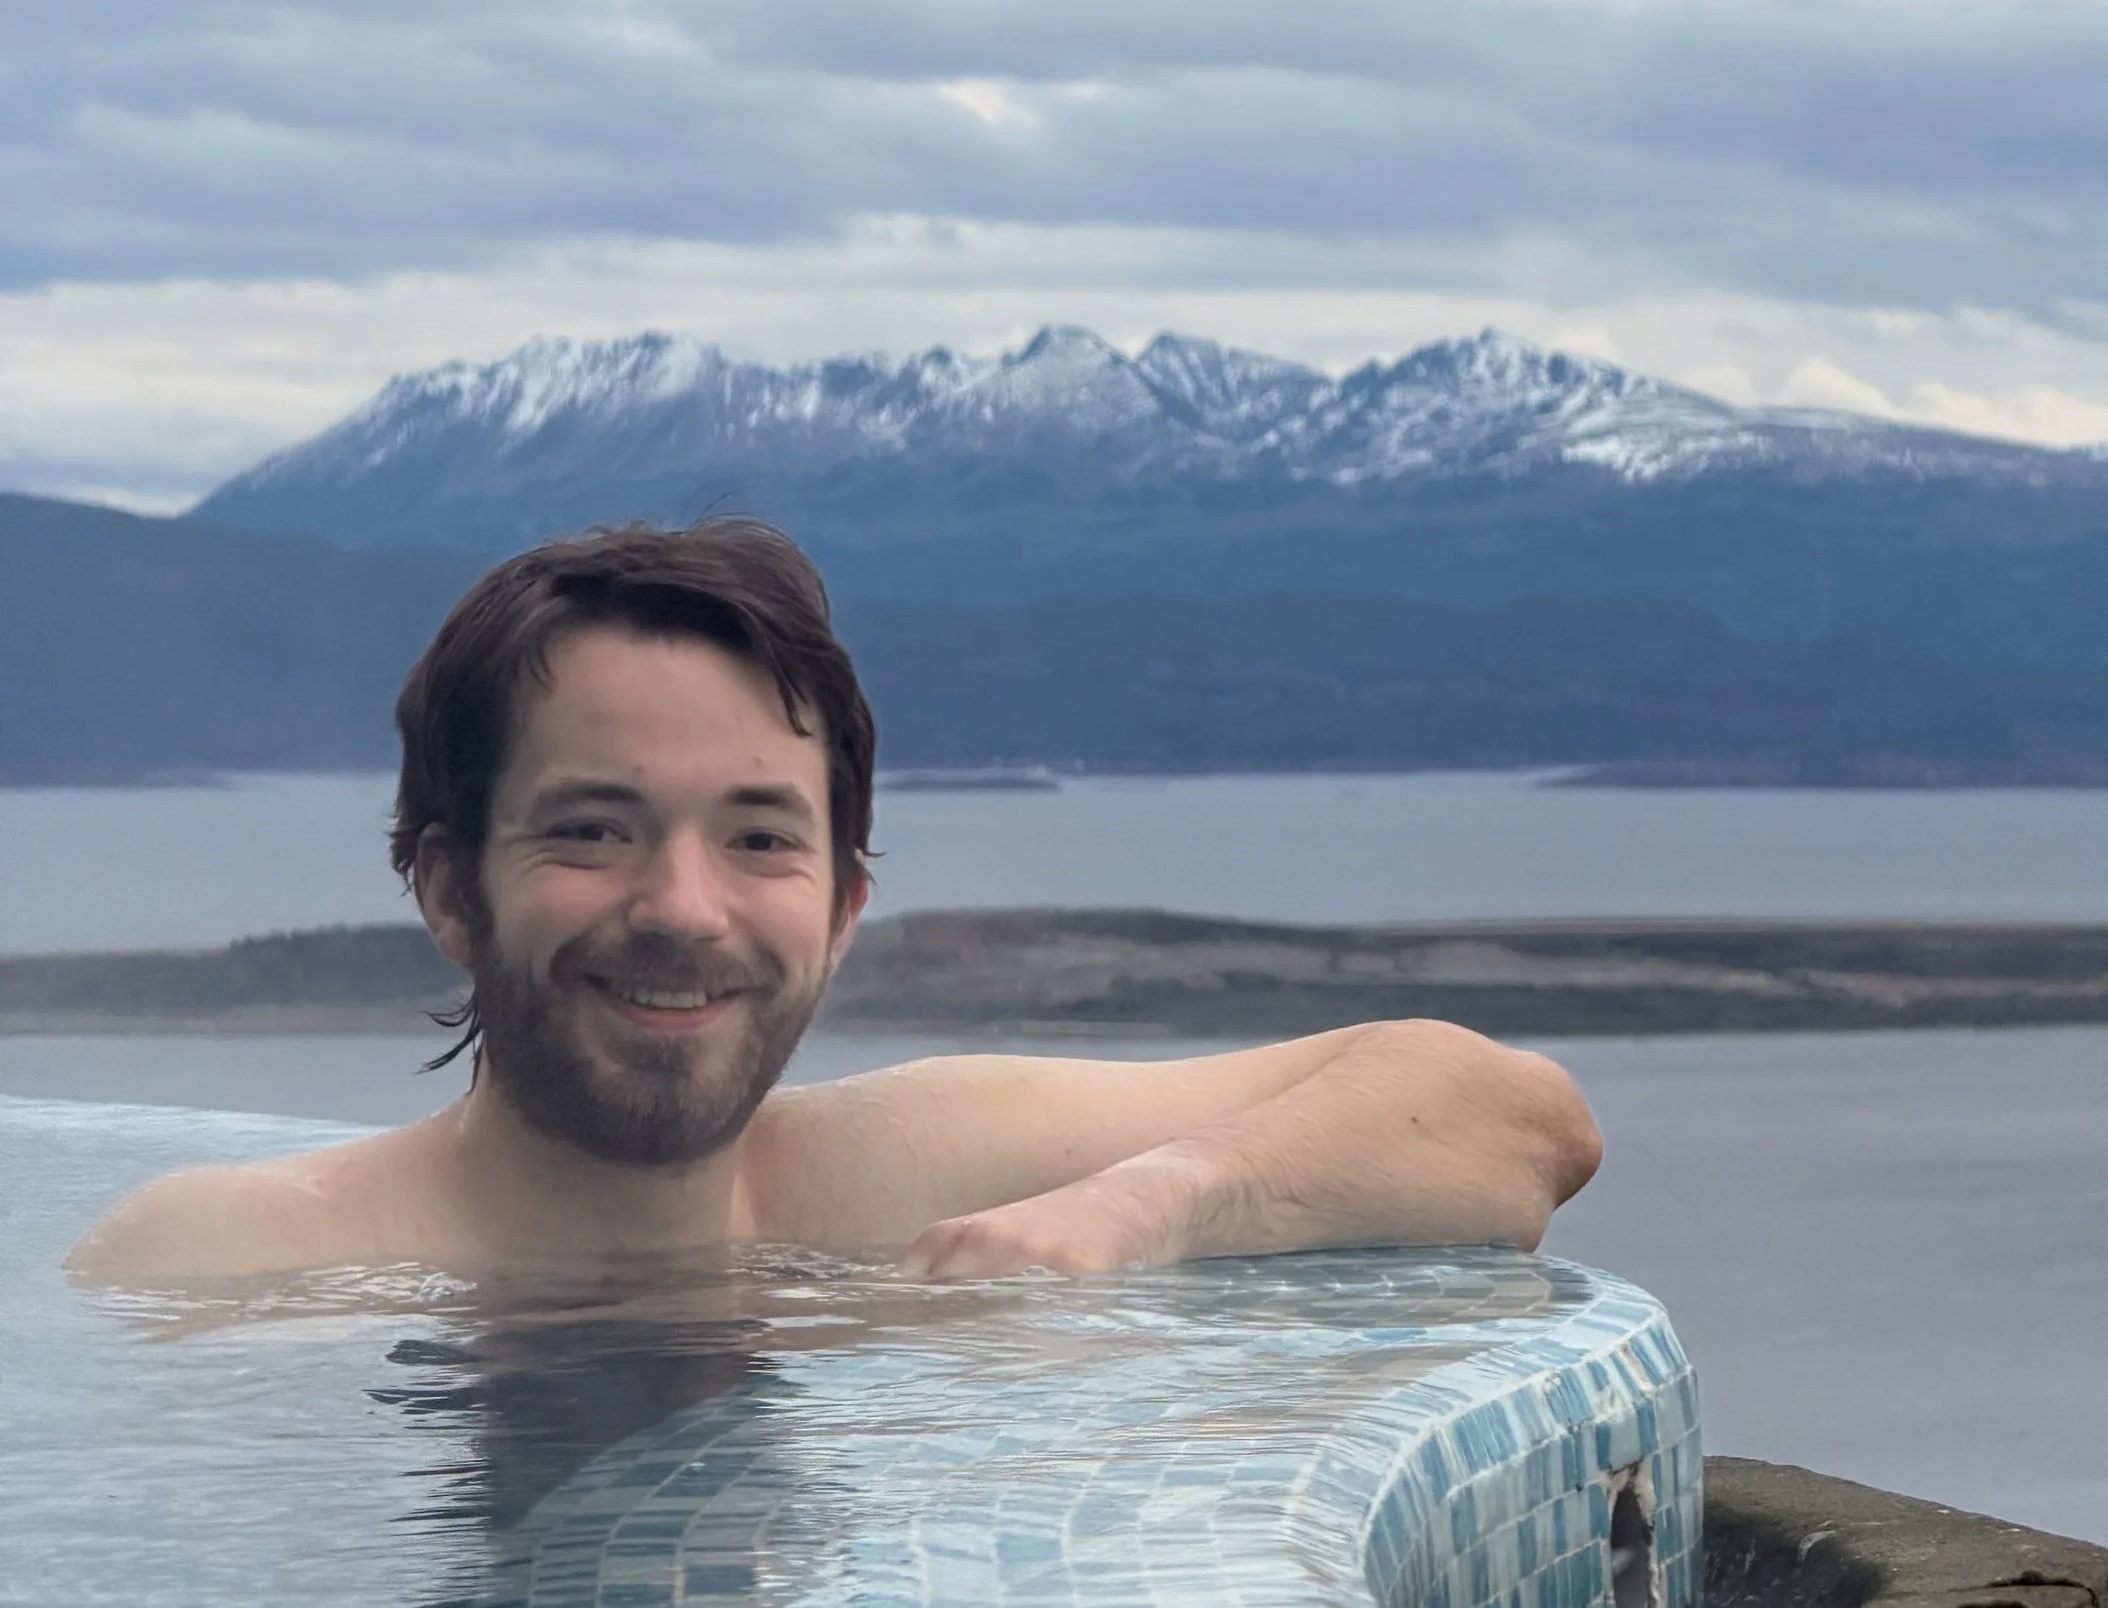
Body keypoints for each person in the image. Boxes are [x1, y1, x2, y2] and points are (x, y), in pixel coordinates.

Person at [71, 521, 1600, 1286]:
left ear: (846, 903)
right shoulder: (233, 1268)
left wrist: (1134, 1214)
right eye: (596, 828)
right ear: (445, 886)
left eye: (759, 839)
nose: (683, 908)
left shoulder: (886, 1195)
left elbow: (1509, 1115)